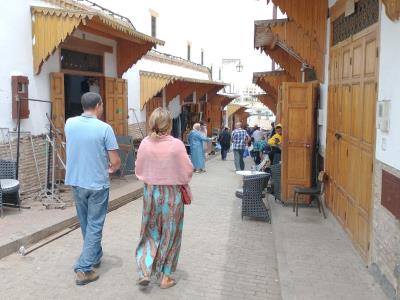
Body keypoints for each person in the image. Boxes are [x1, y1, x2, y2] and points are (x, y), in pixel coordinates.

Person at [65, 92, 121, 286]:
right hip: (97, 184)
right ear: (98, 105)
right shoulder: (105, 128)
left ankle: (94, 255)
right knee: (95, 225)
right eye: (102, 105)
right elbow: (115, 161)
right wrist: (111, 168)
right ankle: (83, 268)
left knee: (86, 223)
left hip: (76, 182)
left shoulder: (69, 124)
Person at [134, 108, 193, 289]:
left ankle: (145, 269)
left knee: (149, 231)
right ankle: (165, 276)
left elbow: (138, 169)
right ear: (169, 123)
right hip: (172, 195)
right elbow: (188, 170)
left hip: (150, 193)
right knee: (171, 234)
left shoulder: (145, 143)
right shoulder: (176, 145)